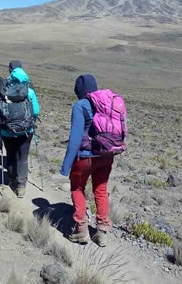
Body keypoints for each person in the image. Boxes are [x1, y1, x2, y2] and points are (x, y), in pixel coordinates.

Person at [60, 74, 114, 247]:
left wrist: (66, 165)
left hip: (86, 156)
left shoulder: (80, 105)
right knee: (101, 189)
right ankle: (102, 232)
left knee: (77, 187)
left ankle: (81, 229)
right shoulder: (107, 103)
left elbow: (75, 137)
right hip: (106, 154)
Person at [0, 67, 39, 198]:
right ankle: (21, 186)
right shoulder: (29, 92)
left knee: (10, 155)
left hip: (7, 131)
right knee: (22, 157)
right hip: (26, 131)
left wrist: (2, 124)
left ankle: (11, 179)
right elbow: (36, 111)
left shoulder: (4, 91)